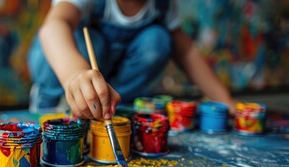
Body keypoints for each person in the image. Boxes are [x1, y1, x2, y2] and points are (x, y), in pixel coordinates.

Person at [27, 0, 236, 120]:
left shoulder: (162, 5)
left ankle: (109, 107)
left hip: (110, 78)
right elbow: (54, 27)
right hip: (64, 66)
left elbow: (187, 52)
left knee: (158, 39)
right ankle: (49, 98)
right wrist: (74, 74)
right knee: (91, 41)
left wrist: (226, 102)